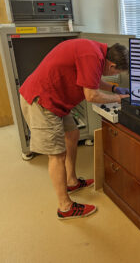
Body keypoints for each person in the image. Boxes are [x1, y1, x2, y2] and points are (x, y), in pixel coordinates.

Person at [19, 38, 130, 220]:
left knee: (72, 133)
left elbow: (92, 80)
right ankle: (65, 207)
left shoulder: (95, 51)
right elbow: (91, 95)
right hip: (42, 102)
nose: (113, 74)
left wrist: (114, 88)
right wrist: (119, 99)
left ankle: (71, 181)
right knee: (57, 154)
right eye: (117, 72)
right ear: (112, 66)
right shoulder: (92, 56)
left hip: (55, 100)